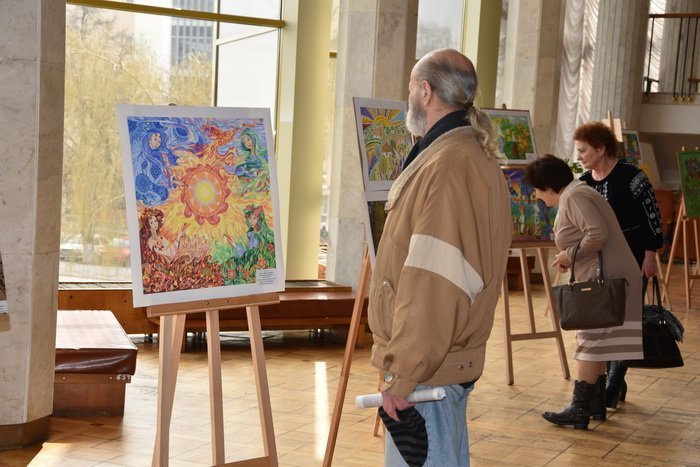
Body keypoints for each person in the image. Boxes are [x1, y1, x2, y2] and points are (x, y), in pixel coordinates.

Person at [367, 48, 511, 466]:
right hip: (437, 364)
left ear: (426, 92)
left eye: (412, 87)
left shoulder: (448, 164)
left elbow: (434, 284)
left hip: (428, 373)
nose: (409, 95)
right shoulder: (461, 153)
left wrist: (403, 373)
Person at [524, 155, 643, 429]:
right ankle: (594, 406)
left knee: (591, 341)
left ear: (548, 185)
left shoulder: (574, 196)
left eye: (537, 189)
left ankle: (579, 409)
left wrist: (569, 254)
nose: (537, 196)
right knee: (597, 342)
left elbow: (596, 234)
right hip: (610, 276)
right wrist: (571, 256)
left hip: (606, 279)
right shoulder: (578, 192)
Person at [574, 122, 663, 409]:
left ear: (600, 148)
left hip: (634, 256)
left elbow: (652, 214)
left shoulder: (632, 176)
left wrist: (651, 253)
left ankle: (613, 383)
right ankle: (609, 380)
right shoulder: (584, 182)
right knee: (605, 319)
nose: (579, 156)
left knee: (627, 320)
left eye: (583, 150)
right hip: (600, 261)